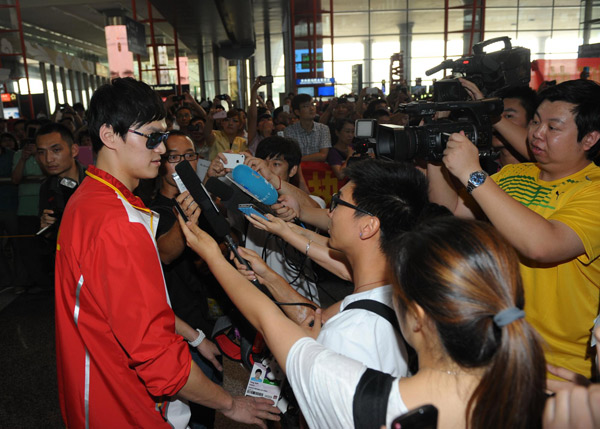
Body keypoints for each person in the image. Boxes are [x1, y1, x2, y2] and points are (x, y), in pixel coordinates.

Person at [179, 213, 547, 429]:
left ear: (416, 317)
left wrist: (213, 256)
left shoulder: (353, 394)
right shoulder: (540, 396)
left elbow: (266, 317)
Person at [54, 77, 279, 428]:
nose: (161, 150)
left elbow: (126, 306)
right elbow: (155, 354)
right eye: (153, 137)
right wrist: (231, 404)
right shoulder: (116, 222)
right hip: (124, 406)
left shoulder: (91, 200)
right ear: (109, 135)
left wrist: (195, 336)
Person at [429, 78, 600, 379]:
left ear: (589, 139)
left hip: (560, 369)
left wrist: (473, 174)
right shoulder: (514, 173)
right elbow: (450, 212)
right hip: (498, 350)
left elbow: (543, 245)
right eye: (535, 121)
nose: (537, 133)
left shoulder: (594, 190)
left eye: (553, 127)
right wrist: (435, 148)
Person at [238, 160, 433, 378]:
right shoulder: (395, 287)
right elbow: (316, 318)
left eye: (337, 202)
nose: (329, 213)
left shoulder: (348, 334)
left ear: (368, 227)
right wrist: (268, 275)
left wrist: (213, 256)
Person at [150, 130, 227, 429]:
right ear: (160, 161)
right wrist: (187, 215)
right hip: (180, 329)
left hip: (211, 319)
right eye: (175, 157)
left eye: (190, 156)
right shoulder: (152, 210)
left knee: (206, 413)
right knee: (185, 417)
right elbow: (165, 253)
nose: (184, 163)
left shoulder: (201, 201)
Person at [36, 123, 86, 235]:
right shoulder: (47, 187)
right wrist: (46, 228)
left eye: (56, 150)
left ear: (74, 150)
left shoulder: (96, 181)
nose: (48, 159)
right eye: (41, 152)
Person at [284, 94, 331, 162]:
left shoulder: (323, 129)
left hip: (318, 170)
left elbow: (323, 155)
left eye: (312, 105)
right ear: (297, 112)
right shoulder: (289, 131)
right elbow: (292, 156)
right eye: (306, 106)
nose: (311, 108)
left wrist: (299, 159)